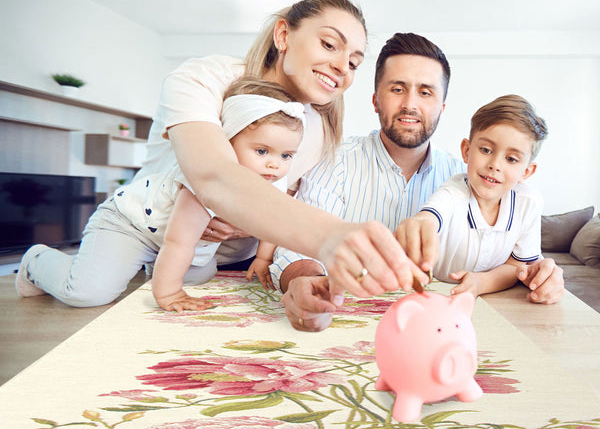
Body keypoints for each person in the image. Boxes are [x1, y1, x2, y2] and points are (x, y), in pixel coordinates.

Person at [16, 77, 305, 310]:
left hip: (172, 237)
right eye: (262, 151)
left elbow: (273, 222)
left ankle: (149, 265)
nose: (275, 164)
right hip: (130, 224)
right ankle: (36, 261)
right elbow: (179, 242)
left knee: (198, 276)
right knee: (87, 293)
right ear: (226, 142)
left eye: (287, 155)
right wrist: (168, 294)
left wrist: (264, 258)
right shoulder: (205, 178)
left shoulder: (272, 179)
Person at [268, 32, 465, 331]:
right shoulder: (334, 161)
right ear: (375, 100)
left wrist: (535, 270)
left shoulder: (464, 178)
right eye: (397, 89)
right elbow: (297, 245)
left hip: (437, 331)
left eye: (425, 92)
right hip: (344, 324)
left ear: (442, 107)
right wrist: (305, 280)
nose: (410, 104)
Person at [395, 94, 564, 304]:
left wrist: (480, 282)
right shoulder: (453, 193)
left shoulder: (528, 203)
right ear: (466, 151)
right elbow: (429, 217)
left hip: (492, 302)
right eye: (486, 150)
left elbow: (517, 266)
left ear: (526, 172)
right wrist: (419, 224)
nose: (495, 164)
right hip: (436, 298)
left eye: (511, 159)